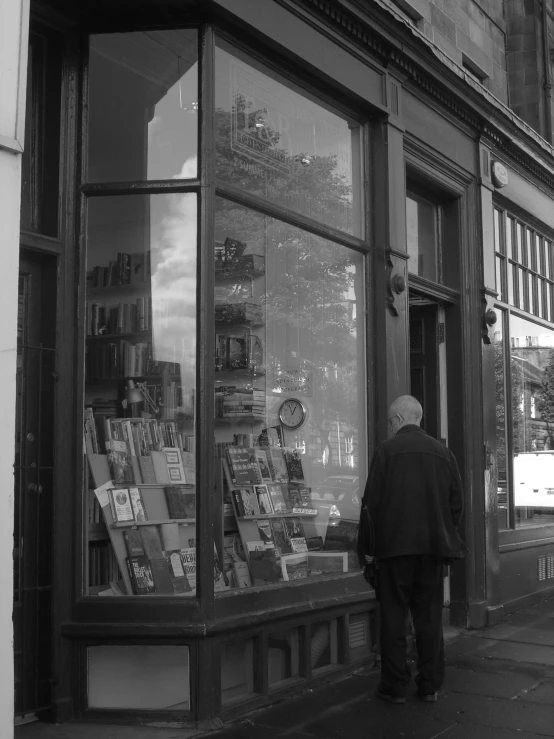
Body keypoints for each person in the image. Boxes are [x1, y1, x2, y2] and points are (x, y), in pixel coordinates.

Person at [361, 395, 466, 705]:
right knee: (429, 619)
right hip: (432, 551)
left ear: (397, 420)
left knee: (393, 620)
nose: (390, 427)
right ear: (418, 419)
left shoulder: (386, 452)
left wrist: (367, 550)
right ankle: (430, 684)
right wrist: (442, 533)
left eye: (390, 422)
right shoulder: (444, 454)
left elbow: (371, 506)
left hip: (394, 551)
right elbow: (456, 505)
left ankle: (394, 686)